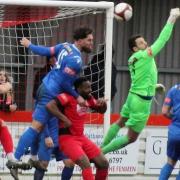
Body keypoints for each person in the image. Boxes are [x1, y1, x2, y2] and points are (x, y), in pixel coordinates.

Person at [6, 27, 94, 168]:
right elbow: (64, 83)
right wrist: (77, 96)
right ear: (80, 40)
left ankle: (32, 157)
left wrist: (30, 45)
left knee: (39, 127)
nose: (91, 43)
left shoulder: (65, 46)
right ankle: (14, 159)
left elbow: (47, 51)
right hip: (50, 91)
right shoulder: (76, 61)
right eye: (89, 40)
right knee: (36, 127)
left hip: (45, 85)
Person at [101, 8, 180, 154]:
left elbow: (141, 79)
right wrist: (172, 18)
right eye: (142, 43)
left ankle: (99, 148)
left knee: (120, 122)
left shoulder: (132, 59)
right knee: (131, 138)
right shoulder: (145, 56)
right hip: (141, 102)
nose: (146, 44)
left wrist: (154, 86)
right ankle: (101, 153)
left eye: (145, 41)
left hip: (132, 97)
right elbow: (162, 40)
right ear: (135, 48)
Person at [46, 77, 109, 180]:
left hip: (81, 138)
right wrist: (64, 119)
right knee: (85, 163)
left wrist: (103, 104)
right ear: (78, 89)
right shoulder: (67, 96)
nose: (90, 90)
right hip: (67, 138)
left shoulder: (88, 98)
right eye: (87, 88)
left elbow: (101, 110)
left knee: (104, 163)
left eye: (90, 87)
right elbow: (49, 106)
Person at [30, 57, 74, 180]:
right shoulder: (44, 94)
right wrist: (47, 135)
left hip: (63, 135)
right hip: (48, 134)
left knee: (70, 162)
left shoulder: (66, 93)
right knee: (43, 164)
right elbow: (39, 118)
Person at [0, 69, 19, 180]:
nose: (2, 77)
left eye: (4, 75)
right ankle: (11, 159)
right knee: (3, 126)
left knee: (3, 128)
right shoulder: (6, 87)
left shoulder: (9, 90)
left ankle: (11, 160)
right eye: (0, 75)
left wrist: (13, 106)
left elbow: (9, 105)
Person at [159, 84, 180, 180]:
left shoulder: (173, 89)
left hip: (174, 132)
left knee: (170, 163)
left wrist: (174, 118)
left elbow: (164, 111)